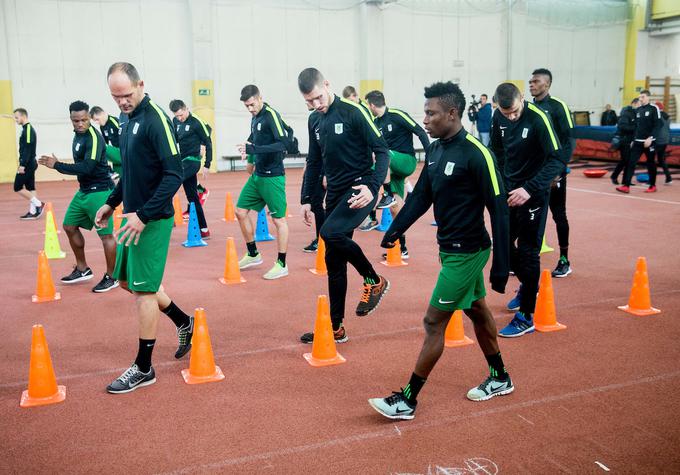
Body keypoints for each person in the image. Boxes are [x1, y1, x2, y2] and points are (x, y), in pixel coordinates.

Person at [368, 81, 511, 420]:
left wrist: (502, 266)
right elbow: (421, 198)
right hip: (449, 249)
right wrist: (395, 230)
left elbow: (500, 209)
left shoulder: (477, 153)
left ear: (452, 113)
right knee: (477, 311)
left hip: (468, 252)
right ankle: (500, 377)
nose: (425, 119)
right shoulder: (435, 151)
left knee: (434, 321)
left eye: (431, 113)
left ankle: (407, 400)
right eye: (425, 112)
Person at [95, 62, 196, 394]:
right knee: (126, 282)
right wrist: (112, 202)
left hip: (152, 220)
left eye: (126, 95)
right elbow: (131, 172)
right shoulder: (127, 120)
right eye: (115, 97)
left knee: (143, 292)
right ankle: (183, 321)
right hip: (132, 216)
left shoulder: (154, 119)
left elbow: (174, 174)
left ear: (140, 84)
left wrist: (144, 215)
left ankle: (143, 367)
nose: (121, 102)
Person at [298, 67, 390, 343]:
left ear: (326, 84)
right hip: (335, 194)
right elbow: (314, 163)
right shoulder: (314, 120)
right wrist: (306, 198)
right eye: (309, 102)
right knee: (333, 260)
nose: (316, 104)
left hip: (359, 189)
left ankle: (374, 280)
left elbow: (382, 150)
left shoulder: (354, 111)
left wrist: (373, 187)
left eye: (318, 97)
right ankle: (336, 327)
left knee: (329, 234)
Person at [489, 82, 564, 338]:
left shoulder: (539, 118)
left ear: (522, 98)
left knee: (529, 250)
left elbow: (558, 158)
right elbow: (497, 153)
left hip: (534, 193)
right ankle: (528, 287)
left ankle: (527, 316)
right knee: (502, 246)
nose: (511, 116)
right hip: (509, 193)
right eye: (506, 112)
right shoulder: (498, 115)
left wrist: (529, 189)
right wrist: (498, 185)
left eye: (515, 111)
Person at [38, 100, 118, 292]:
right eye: (76, 121)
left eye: (84, 120)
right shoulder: (78, 136)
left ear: (89, 118)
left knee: (106, 236)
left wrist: (57, 165)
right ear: (71, 120)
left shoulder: (94, 137)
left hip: (100, 192)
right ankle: (82, 269)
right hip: (84, 191)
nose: (80, 124)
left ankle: (112, 276)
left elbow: (88, 168)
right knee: (69, 226)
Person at [365, 90, 430, 259]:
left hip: (406, 161)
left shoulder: (397, 115)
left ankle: (386, 193)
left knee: (383, 154)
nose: (367, 107)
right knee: (395, 210)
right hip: (392, 169)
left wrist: (430, 155)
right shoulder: (375, 122)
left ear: (372, 104)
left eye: (367, 105)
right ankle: (402, 248)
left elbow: (420, 131)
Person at [235, 85, 291, 280]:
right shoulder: (255, 117)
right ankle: (253, 254)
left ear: (260, 98)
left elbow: (283, 144)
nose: (250, 109)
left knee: (278, 221)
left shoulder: (270, 115)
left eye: (252, 104)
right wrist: (249, 159)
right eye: (246, 106)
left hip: (273, 176)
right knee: (240, 211)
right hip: (258, 176)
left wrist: (254, 150)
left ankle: (282, 264)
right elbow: (253, 141)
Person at [528, 68, 574, 278]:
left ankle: (564, 259)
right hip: (533, 174)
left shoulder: (558, 107)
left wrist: (557, 170)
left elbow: (568, 140)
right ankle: (526, 259)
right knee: (530, 216)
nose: (531, 84)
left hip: (553, 174)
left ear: (546, 84)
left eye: (535, 81)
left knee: (558, 215)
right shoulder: (529, 108)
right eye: (530, 81)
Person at [169, 99, 212, 239]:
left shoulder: (196, 122)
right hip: (182, 161)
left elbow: (208, 141)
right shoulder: (175, 122)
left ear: (186, 109)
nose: (180, 118)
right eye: (177, 116)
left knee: (170, 183)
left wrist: (207, 164)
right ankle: (204, 229)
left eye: (181, 115)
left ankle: (167, 220)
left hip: (193, 161)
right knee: (192, 197)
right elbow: (173, 140)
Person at [616, 90, 661, 194]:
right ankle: (626, 186)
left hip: (649, 142)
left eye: (643, 97)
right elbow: (637, 127)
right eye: (640, 97)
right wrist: (633, 139)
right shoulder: (638, 110)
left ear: (648, 97)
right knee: (631, 162)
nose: (640, 99)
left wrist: (651, 138)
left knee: (651, 164)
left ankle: (652, 185)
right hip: (637, 142)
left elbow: (658, 125)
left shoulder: (654, 108)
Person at [13, 108, 44, 220]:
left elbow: (28, 149)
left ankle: (39, 204)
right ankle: (33, 211)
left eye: (17, 117)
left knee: (17, 187)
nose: (15, 120)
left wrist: (22, 164)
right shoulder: (25, 129)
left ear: (23, 116)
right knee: (30, 187)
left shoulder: (29, 130)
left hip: (28, 164)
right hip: (29, 163)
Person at [611, 98, 639, 185]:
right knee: (625, 160)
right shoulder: (626, 113)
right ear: (633, 103)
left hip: (630, 140)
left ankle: (626, 180)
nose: (640, 106)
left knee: (628, 161)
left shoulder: (635, 114)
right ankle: (615, 176)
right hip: (623, 140)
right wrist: (635, 128)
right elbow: (623, 127)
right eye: (639, 104)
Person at [89, 106, 122, 178]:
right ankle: (107, 170)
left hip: (123, 150)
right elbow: (105, 143)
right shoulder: (102, 127)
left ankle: (106, 169)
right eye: (95, 121)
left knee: (99, 145)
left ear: (103, 114)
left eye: (97, 119)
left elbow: (126, 134)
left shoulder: (114, 121)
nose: (97, 123)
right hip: (116, 152)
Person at [653, 101, 673, 185]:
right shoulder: (667, 116)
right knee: (661, 160)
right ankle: (668, 178)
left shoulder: (657, 116)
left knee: (651, 160)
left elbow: (655, 128)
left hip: (658, 140)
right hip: (665, 140)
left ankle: (651, 181)